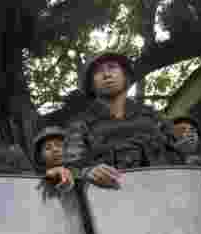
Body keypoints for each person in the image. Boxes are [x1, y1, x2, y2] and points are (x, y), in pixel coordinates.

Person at [45, 52, 179, 189]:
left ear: (125, 76)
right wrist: (88, 172)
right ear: (91, 84)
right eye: (98, 71)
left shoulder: (154, 118)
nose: (106, 74)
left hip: (164, 193)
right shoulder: (80, 125)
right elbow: (71, 169)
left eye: (112, 67)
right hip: (112, 198)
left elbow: (182, 156)